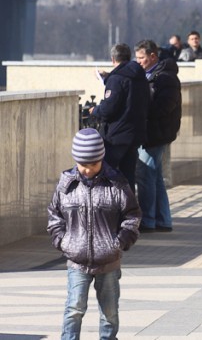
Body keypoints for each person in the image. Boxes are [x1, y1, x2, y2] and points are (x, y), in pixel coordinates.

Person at [47, 128, 141, 340]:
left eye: (93, 164)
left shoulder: (117, 183)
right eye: (83, 164)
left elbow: (132, 214)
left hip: (108, 260)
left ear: (101, 159)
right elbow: (55, 214)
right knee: (74, 309)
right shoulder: (66, 184)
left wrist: (121, 241)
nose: (88, 170)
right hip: (77, 261)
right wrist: (62, 241)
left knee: (109, 313)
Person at [134, 39, 182, 233]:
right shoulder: (153, 75)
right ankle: (162, 219)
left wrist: (140, 108)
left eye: (141, 58)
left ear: (152, 56)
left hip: (155, 132)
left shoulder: (164, 78)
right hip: (155, 131)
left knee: (146, 176)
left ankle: (149, 220)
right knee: (154, 177)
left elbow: (162, 107)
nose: (137, 62)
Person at [89, 43, 150, 192]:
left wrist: (95, 110)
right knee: (128, 177)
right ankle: (129, 211)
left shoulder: (116, 79)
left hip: (116, 136)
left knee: (105, 173)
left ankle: (108, 212)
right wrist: (109, 76)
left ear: (112, 59)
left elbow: (109, 109)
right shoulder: (140, 76)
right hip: (134, 133)